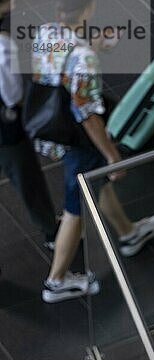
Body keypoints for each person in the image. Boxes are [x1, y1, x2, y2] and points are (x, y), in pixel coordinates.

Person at [32, 0, 154, 303]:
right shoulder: (84, 58)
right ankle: (57, 282)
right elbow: (88, 116)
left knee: (94, 187)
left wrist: (91, 45)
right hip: (81, 139)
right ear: (89, 10)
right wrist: (112, 156)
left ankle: (129, 233)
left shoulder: (46, 32)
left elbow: (58, 70)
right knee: (74, 207)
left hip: (55, 128)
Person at [0, 0, 58, 256]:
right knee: (27, 179)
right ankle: (51, 232)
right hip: (6, 130)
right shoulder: (3, 44)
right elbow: (11, 93)